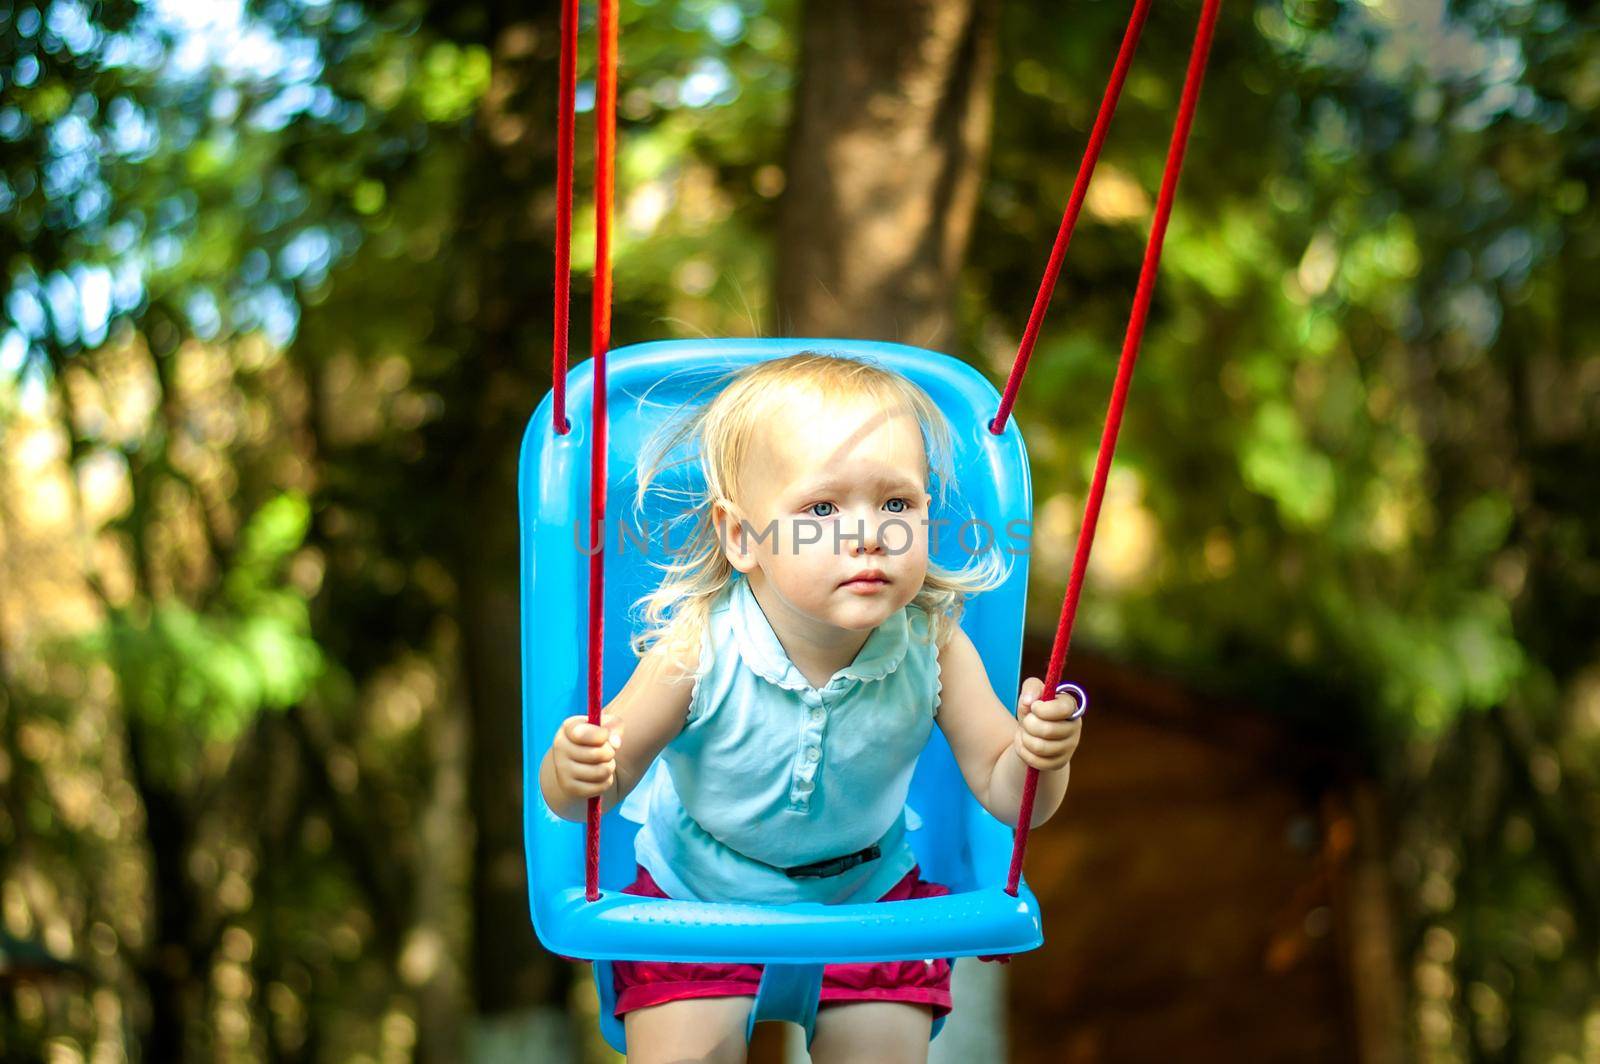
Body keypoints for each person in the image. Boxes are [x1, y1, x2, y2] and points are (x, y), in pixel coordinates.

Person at [539, 353, 1084, 1064]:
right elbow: (595, 789)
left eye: (898, 504)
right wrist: (574, 767)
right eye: (822, 509)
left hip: (868, 901)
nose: (869, 534)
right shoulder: (699, 645)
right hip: (699, 902)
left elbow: (1010, 796)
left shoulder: (935, 643)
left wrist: (1040, 757)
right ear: (741, 537)